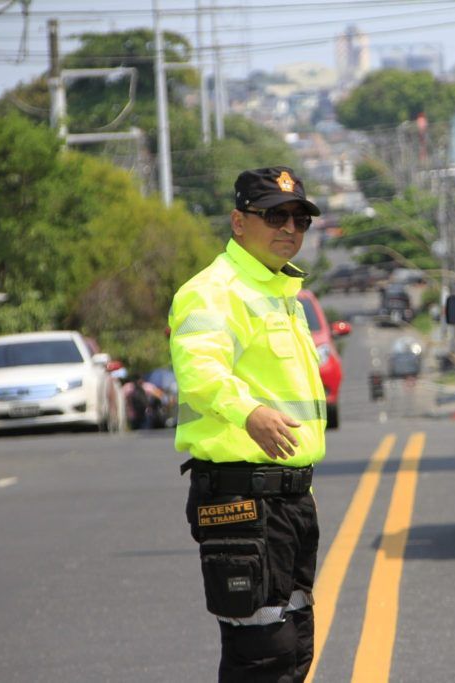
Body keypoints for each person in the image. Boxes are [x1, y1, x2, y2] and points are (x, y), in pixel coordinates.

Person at [169, 166, 327, 682]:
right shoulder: (213, 291)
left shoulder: (282, 293)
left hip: (287, 499)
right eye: (274, 215)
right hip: (242, 498)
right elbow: (200, 373)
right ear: (239, 222)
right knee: (262, 651)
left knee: (294, 647)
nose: (290, 228)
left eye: (299, 219)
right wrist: (249, 413)